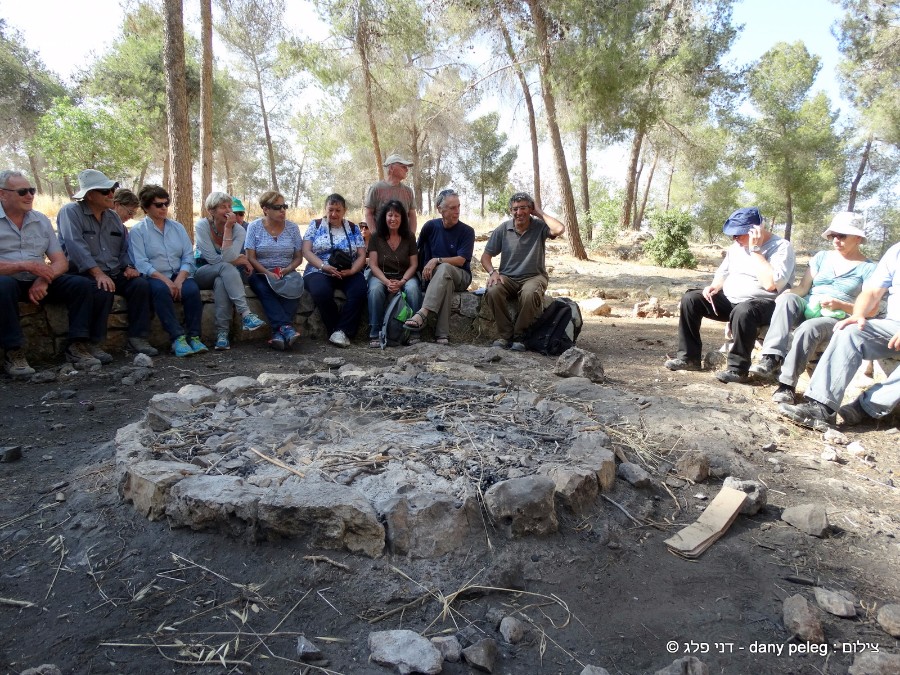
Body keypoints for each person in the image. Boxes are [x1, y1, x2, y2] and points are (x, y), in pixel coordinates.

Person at [749, 212, 876, 403]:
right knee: (786, 300)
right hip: (810, 304)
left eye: (842, 236)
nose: (836, 240)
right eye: (833, 235)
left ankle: (787, 386)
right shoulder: (822, 257)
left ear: (858, 238)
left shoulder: (868, 269)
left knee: (809, 328)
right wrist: (788, 294)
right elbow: (803, 288)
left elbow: (869, 309)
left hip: (835, 316)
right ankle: (772, 357)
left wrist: (840, 305)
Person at [665, 207, 795, 383]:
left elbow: (771, 284)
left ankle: (737, 369)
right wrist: (715, 286)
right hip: (732, 300)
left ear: (757, 229)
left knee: (743, 311)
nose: (735, 239)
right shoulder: (736, 247)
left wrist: (756, 250)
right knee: (691, 299)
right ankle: (689, 358)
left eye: (739, 234)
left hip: (763, 304)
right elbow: (723, 272)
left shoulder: (781, 247)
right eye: (732, 235)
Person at [779, 241, 900, 431]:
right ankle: (822, 407)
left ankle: (867, 407)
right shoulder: (896, 251)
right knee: (849, 331)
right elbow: (872, 291)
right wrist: (858, 314)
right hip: (893, 324)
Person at [0, 170, 99, 375]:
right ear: (3, 194)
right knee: (3, 286)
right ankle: (13, 352)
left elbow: (60, 261)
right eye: (22, 191)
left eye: (32, 190)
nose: (30, 196)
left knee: (81, 285)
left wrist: (44, 279)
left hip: (37, 279)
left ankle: (77, 346)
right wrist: (25, 265)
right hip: (8, 279)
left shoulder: (41, 220)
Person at [57, 169, 157, 358]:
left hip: (112, 271)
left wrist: (128, 267)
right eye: (105, 191)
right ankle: (93, 343)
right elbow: (74, 246)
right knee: (102, 290)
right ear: (89, 195)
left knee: (140, 285)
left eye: (112, 189)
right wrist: (97, 273)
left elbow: (123, 249)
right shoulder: (70, 212)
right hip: (83, 272)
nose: (111, 194)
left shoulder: (112, 218)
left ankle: (138, 337)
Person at [129, 185, 207, 357]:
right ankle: (177, 338)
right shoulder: (138, 231)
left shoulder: (177, 228)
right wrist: (166, 282)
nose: (164, 208)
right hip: (154, 275)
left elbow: (188, 256)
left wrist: (179, 280)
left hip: (178, 274)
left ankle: (194, 336)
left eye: (166, 203)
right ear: (146, 207)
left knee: (192, 290)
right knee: (160, 291)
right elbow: (141, 263)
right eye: (158, 205)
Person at [481, 192, 565, 350]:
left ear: (530, 209)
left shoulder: (540, 227)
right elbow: (485, 257)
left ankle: (520, 336)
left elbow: (559, 229)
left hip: (534, 276)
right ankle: (504, 336)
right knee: (493, 290)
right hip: (508, 277)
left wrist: (539, 212)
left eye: (524, 208)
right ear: (511, 211)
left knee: (529, 293)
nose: (519, 213)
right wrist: (493, 273)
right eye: (515, 209)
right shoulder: (503, 229)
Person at [193, 192, 265, 350]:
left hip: (224, 274)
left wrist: (227, 229)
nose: (228, 210)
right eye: (222, 207)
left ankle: (222, 335)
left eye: (229, 207)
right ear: (211, 211)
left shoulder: (238, 230)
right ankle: (246, 314)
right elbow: (213, 260)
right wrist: (236, 259)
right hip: (201, 273)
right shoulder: (202, 226)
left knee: (222, 280)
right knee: (227, 266)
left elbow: (228, 256)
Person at [403, 189, 475, 344]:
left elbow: (462, 260)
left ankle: (423, 313)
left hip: (461, 276)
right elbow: (417, 250)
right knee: (445, 279)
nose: (457, 211)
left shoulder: (467, 231)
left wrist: (437, 260)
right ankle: (442, 334)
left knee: (444, 268)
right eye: (452, 208)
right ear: (439, 208)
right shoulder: (430, 227)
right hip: (437, 277)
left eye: (458, 207)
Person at [302, 194, 367, 348]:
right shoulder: (316, 225)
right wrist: (323, 266)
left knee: (359, 290)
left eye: (338, 210)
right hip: (319, 269)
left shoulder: (352, 228)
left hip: (347, 270)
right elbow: (306, 251)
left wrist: (352, 271)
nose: (334, 214)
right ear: (325, 209)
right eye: (330, 209)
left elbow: (361, 255)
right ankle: (336, 330)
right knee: (321, 291)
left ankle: (342, 331)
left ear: (344, 210)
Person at [244, 191, 305, 350]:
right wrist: (268, 273)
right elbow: (250, 257)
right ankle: (286, 327)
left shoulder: (292, 228)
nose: (283, 210)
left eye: (284, 206)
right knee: (262, 286)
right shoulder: (254, 227)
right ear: (265, 209)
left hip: (287, 272)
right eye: (277, 207)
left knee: (296, 286)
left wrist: (287, 270)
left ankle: (278, 333)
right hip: (261, 272)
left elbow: (299, 257)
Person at [366, 200, 422, 347]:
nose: (393, 219)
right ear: (384, 217)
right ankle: (375, 332)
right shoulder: (376, 236)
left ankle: (414, 331)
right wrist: (386, 282)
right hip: (381, 275)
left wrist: (402, 281)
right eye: (390, 215)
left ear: (402, 218)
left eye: (397, 215)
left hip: (405, 275)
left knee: (413, 289)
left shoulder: (409, 236)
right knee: (375, 290)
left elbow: (414, 264)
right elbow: (373, 264)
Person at [364, 154, 417, 235]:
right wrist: (375, 235)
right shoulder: (375, 189)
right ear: (391, 168)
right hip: (382, 239)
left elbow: (412, 215)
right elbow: (368, 213)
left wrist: (412, 236)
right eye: (403, 166)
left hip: (403, 240)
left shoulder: (408, 191)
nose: (407, 170)